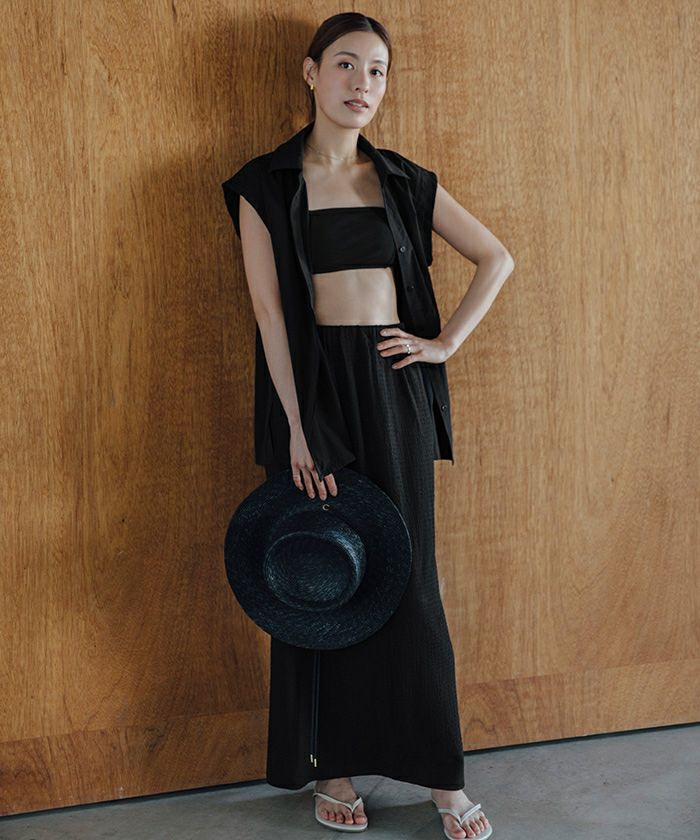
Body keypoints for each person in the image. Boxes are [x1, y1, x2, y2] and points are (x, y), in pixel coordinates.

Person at [221, 12, 514, 839]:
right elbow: (271, 317)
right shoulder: (264, 185)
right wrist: (296, 429)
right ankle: (335, 769)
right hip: (313, 396)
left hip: (394, 389)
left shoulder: (404, 181)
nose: (363, 84)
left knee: (408, 580)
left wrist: (442, 343)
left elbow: (496, 258)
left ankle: (441, 778)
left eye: (378, 70)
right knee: (322, 576)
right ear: (310, 72)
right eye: (346, 64)